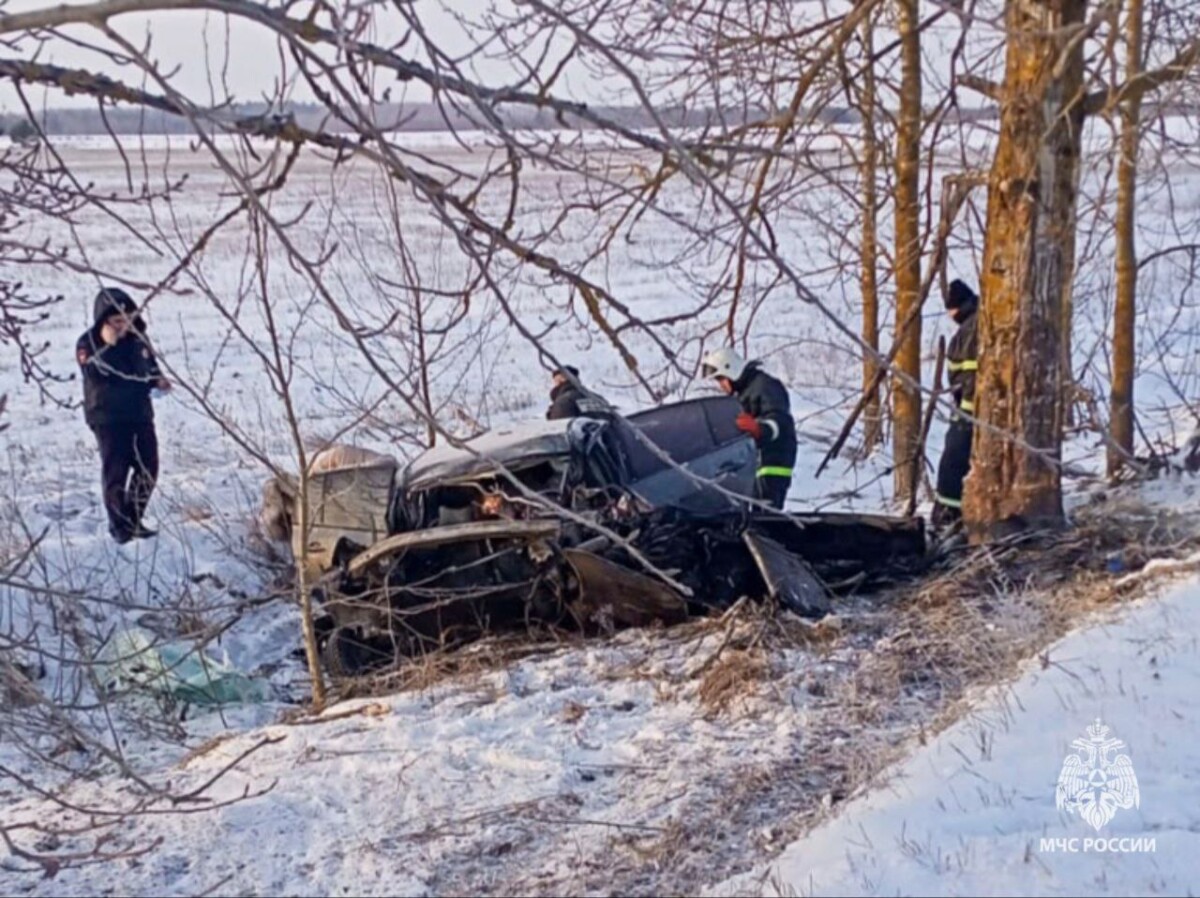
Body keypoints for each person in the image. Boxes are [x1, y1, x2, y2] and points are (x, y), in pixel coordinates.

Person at [76, 288, 171, 543]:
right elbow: (93, 373)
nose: (123, 326)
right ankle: (120, 527)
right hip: (108, 417)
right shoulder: (88, 344)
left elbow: (149, 367)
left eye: (127, 319)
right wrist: (109, 346)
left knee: (148, 466)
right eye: (117, 322)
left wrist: (158, 381)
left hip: (139, 413)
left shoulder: (139, 339)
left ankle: (134, 518)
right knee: (116, 472)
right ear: (103, 322)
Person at [701, 348, 797, 509]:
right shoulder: (743, 393)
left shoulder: (765, 386)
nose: (721, 385)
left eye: (721, 379)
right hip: (754, 463)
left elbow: (779, 419)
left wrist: (760, 429)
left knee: (765, 516)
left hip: (772, 463)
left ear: (730, 369)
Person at [933, 278, 979, 527]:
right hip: (965, 406)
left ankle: (949, 515)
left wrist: (967, 411)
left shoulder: (973, 329)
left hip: (970, 411)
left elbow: (972, 374)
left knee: (954, 458)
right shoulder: (970, 327)